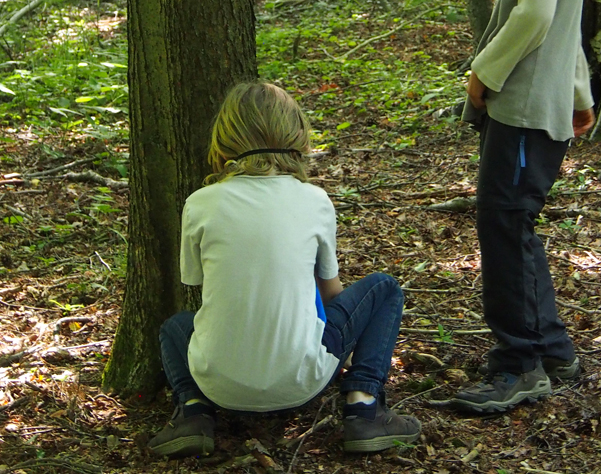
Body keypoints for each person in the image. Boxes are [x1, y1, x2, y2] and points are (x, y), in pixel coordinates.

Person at [147, 80, 421, 458]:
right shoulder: (314, 200)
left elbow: (197, 282)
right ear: (297, 135)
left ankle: (192, 412)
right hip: (302, 378)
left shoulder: (200, 203)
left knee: (175, 326)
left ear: (224, 138)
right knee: (384, 288)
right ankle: (364, 407)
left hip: (218, 383)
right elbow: (331, 294)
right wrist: (348, 340)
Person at [431, 0, 595, 415]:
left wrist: (483, 73)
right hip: (534, 107)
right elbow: (567, 23)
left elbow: (535, 17)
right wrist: (579, 95)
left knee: (502, 227)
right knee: (513, 225)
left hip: (522, 110)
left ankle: (518, 364)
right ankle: (551, 351)